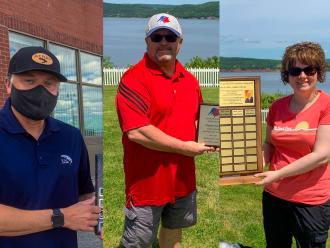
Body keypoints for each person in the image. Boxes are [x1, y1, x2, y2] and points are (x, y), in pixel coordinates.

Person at [116, 13, 215, 248]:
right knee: (138, 242)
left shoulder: (190, 81)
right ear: (147, 41)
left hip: (182, 180)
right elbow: (137, 131)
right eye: (157, 36)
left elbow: (198, 121)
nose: (163, 42)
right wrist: (185, 147)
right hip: (147, 183)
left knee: (173, 233)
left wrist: (213, 136)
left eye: (170, 36)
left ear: (180, 42)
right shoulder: (133, 79)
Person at [0, 46, 101, 248]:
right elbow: (66, 216)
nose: (40, 91)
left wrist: (98, 215)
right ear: (8, 85)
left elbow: (85, 194)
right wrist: (60, 217)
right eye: (29, 81)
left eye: (49, 83)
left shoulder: (71, 137)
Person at [255, 41, 330, 248]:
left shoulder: (327, 105)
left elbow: (321, 155)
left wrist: (277, 174)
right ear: (286, 75)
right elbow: (269, 143)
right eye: (295, 70)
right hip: (274, 197)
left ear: (319, 73)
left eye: (309, 69)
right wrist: (258, 164)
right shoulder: (277, 107)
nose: (302, 76)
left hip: (311, 200)